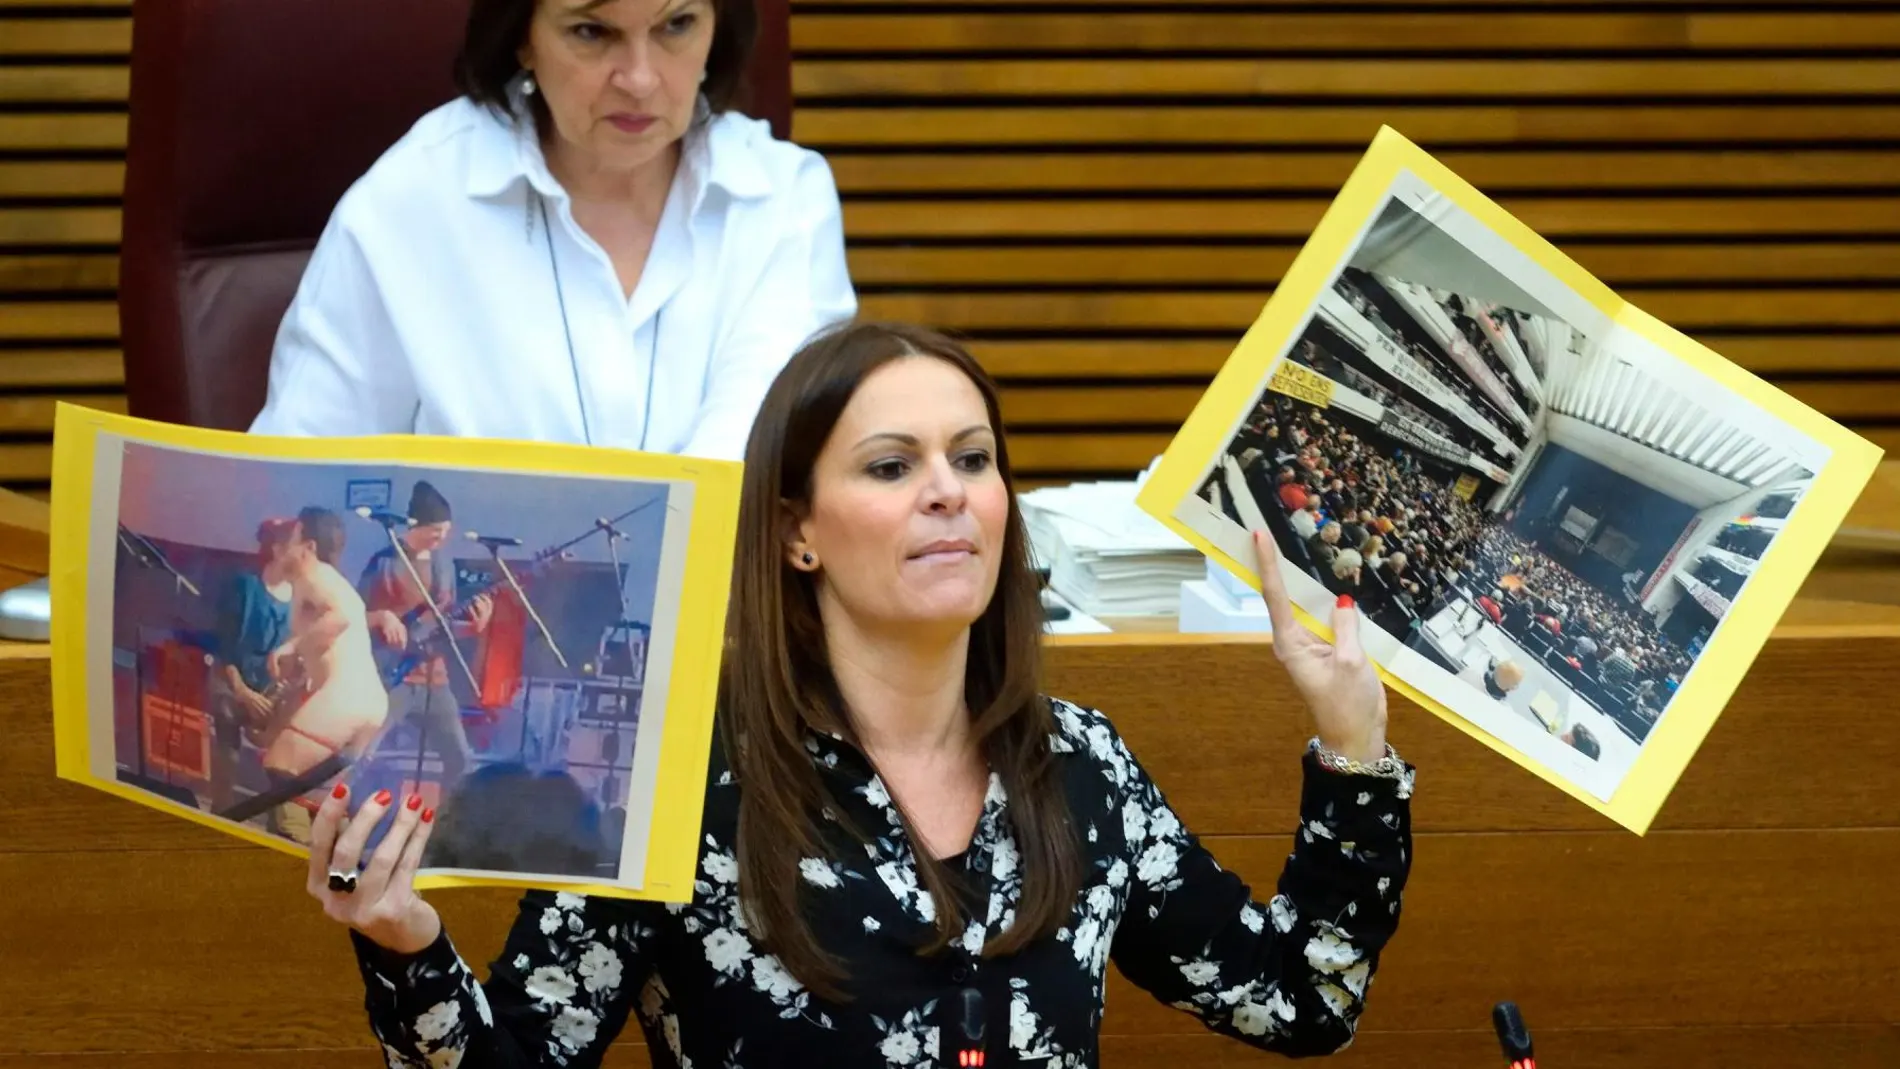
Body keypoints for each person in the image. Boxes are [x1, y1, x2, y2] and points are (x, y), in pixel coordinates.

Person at [306, 322, 1415, 1067]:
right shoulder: (681, 779)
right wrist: (406, 942)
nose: (949, 491)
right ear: (796, 530)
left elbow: (1301, 1001)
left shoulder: (1081, 765)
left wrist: (1353, 744)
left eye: (973, 459)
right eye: (892, 466)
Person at [249, 0, 857, 461]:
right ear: (522, 39)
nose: (640, 79)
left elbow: (765, 459)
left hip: (726, 616)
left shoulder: (782, 201)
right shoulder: (413, 201)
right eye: (592, 33)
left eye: (676, 26)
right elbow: (297, 471)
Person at [251, 509, 392, 843]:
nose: (282, 549)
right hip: (367, 702)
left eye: (290, 541)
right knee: (320, 795)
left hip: (346, 697)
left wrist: (293, 648)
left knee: (281, 763)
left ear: (308, 547)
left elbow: (340, 617)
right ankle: (336, 860)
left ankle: (296, 856)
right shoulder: (320, 582)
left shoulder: (315, 576)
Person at [355, 481, 493, 799]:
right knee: (362, 753)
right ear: (415, 525)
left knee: (460, 758)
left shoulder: (444, 566)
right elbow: (354, 617)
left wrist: (473, 628)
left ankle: (442, 825)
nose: (442, 538)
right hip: (391, 677)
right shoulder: (383, 564)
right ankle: (346, 810)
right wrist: (381, 617)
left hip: (434, 677)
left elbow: (442, 627)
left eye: (446, 531)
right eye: (436, 531)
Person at [204, 517, 300, 811]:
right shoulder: (245, 586)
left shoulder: (300, 595)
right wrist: (244, 693)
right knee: (228, 746)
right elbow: (225, 648)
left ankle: (281, 821)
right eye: (298, 545)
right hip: (233, 683)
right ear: (277, 549)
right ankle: (221, 812)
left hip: (269, 691)